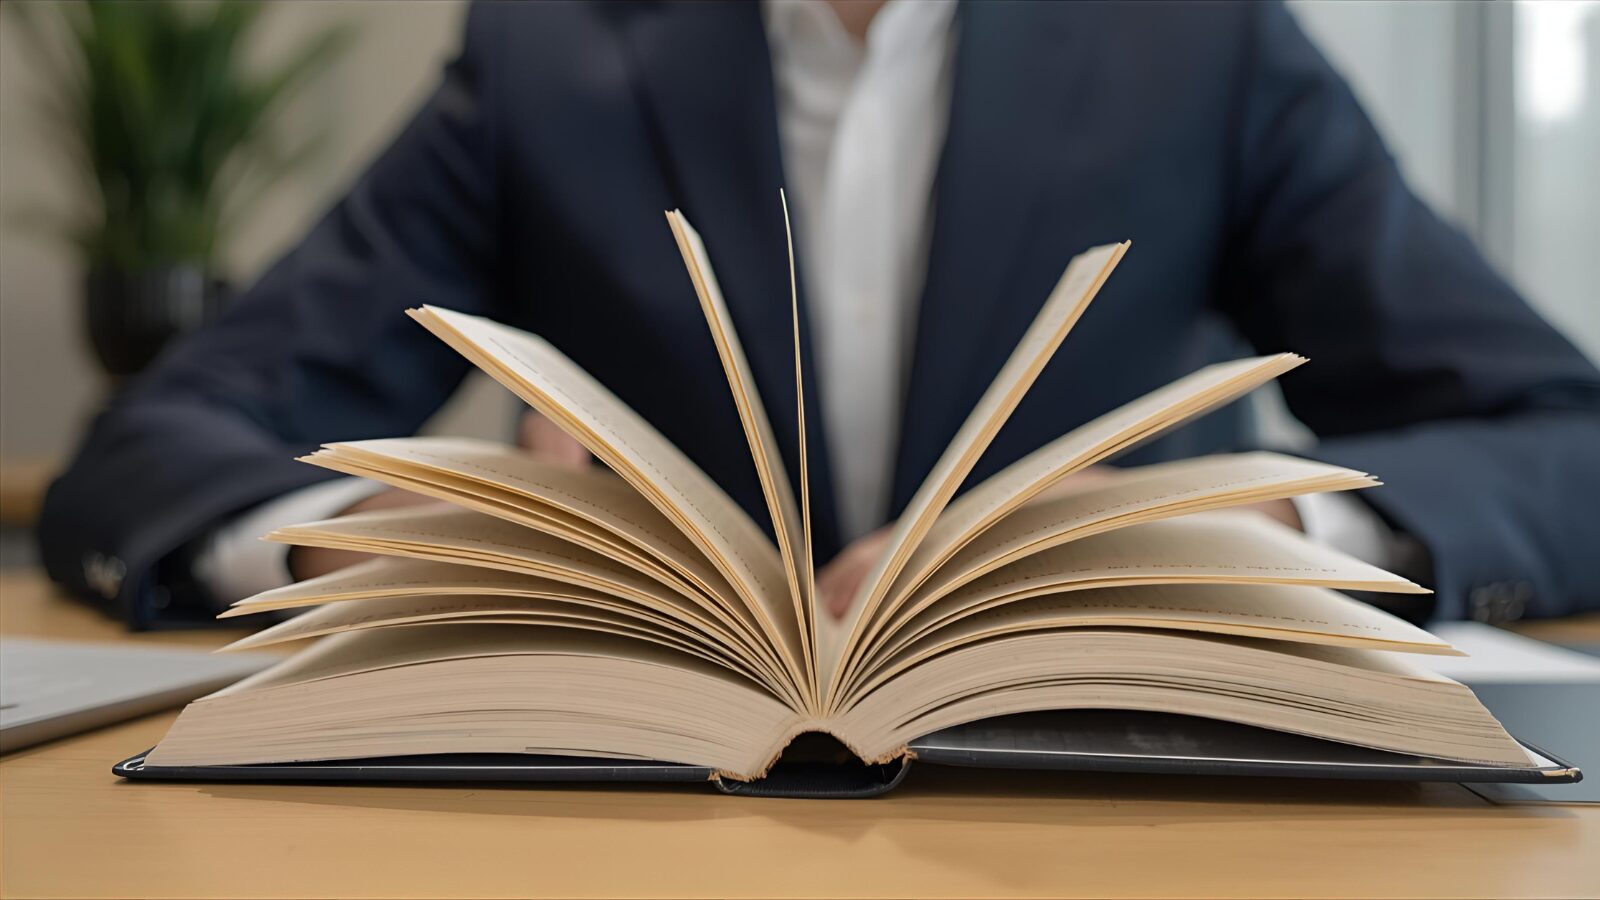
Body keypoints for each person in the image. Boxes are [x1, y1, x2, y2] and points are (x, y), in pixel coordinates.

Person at [38, 0, 1600, 631]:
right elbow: (146, 455)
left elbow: (1566, 440)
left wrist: (1260, 535)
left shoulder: (1195, 43)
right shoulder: (546, 59)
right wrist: (363, 542)